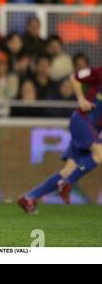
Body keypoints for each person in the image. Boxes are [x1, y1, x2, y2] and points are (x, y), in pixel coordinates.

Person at [18, 66, 102, 213]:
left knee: (68, 170)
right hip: (83, 119)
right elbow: (75, 77)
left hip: (93, 128)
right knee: (99, 154)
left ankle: (29, 197)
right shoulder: (99, 72)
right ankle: (67, 184)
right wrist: (81, 99)